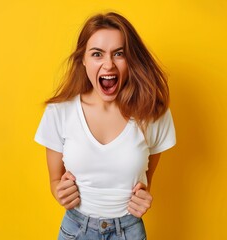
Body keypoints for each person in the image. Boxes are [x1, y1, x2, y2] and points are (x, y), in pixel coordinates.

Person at [35, 12, 176, 240]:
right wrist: (59, 192)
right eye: (97, 54)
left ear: (131, 59)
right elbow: (55, 180)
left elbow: (145, 180)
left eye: (119, 54)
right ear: (83, 59)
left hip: (129, 231)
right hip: (75, 230)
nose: (108, 64)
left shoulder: (153, 113)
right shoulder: (59, 112)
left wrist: (144, 196)